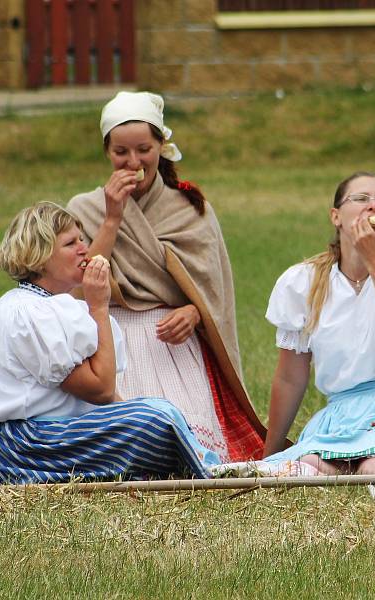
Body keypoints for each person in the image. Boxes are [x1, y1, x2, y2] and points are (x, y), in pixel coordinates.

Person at [0, 202, 220, 484]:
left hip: (46, 436)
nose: (84, 248)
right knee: (154, 420)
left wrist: (134, 414)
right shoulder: (28, 311)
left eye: (82, 239)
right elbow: (100, 390)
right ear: (39, 257)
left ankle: (180, 462)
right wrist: (99, 307)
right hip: (14, 444)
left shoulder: (54, 306)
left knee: (155, 415)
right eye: (71, 243)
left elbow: (108, 401)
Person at [67, 91, 264, 463]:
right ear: (107, 152)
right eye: (120, 152)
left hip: (171, 342)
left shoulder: (189, 208)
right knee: (117, 449)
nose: (133, 161)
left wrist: (193, 311)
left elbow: (212, 288)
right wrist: (111, 218)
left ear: (161, 145)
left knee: (186, 447)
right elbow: (79, 284)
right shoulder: (83, 208)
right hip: (110, 335)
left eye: (144, 149)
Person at [262, 171, 375, 476]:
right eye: (361, 199)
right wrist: (269, 455)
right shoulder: (303, 281)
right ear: (336, 216)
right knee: (307, 470)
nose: (373, 207)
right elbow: (290, 379)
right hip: (342, 412)